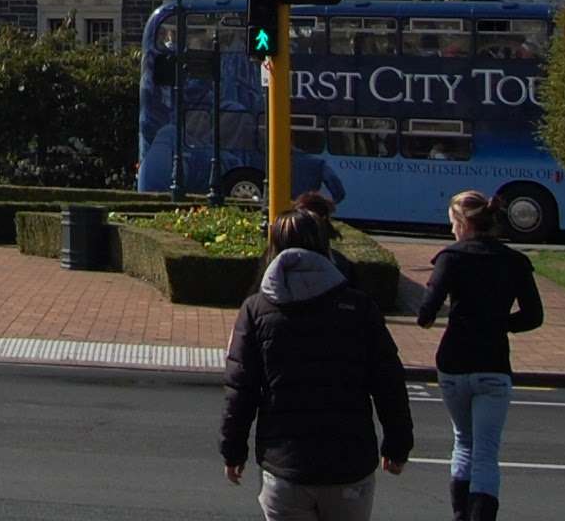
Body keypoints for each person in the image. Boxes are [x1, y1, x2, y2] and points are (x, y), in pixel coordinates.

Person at [218, 210, 412, 520]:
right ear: (325, 246)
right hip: (349, 464)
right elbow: (388, 382)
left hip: (285, 464)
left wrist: (233, 450)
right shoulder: (358, 307)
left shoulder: (256, 309)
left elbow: (241, 389)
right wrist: (398, 444)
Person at [413, 189, 546, 521]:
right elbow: (533, 316)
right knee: (486, 453)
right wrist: (499, 323)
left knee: (463, 442)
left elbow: (426, 313)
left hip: (454, 361)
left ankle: (460, 514)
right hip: (493, 362)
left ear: (462, 223)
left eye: (452, 223)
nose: (451, 230)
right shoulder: (514, 261)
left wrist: (437, 317)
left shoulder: (450, 258)